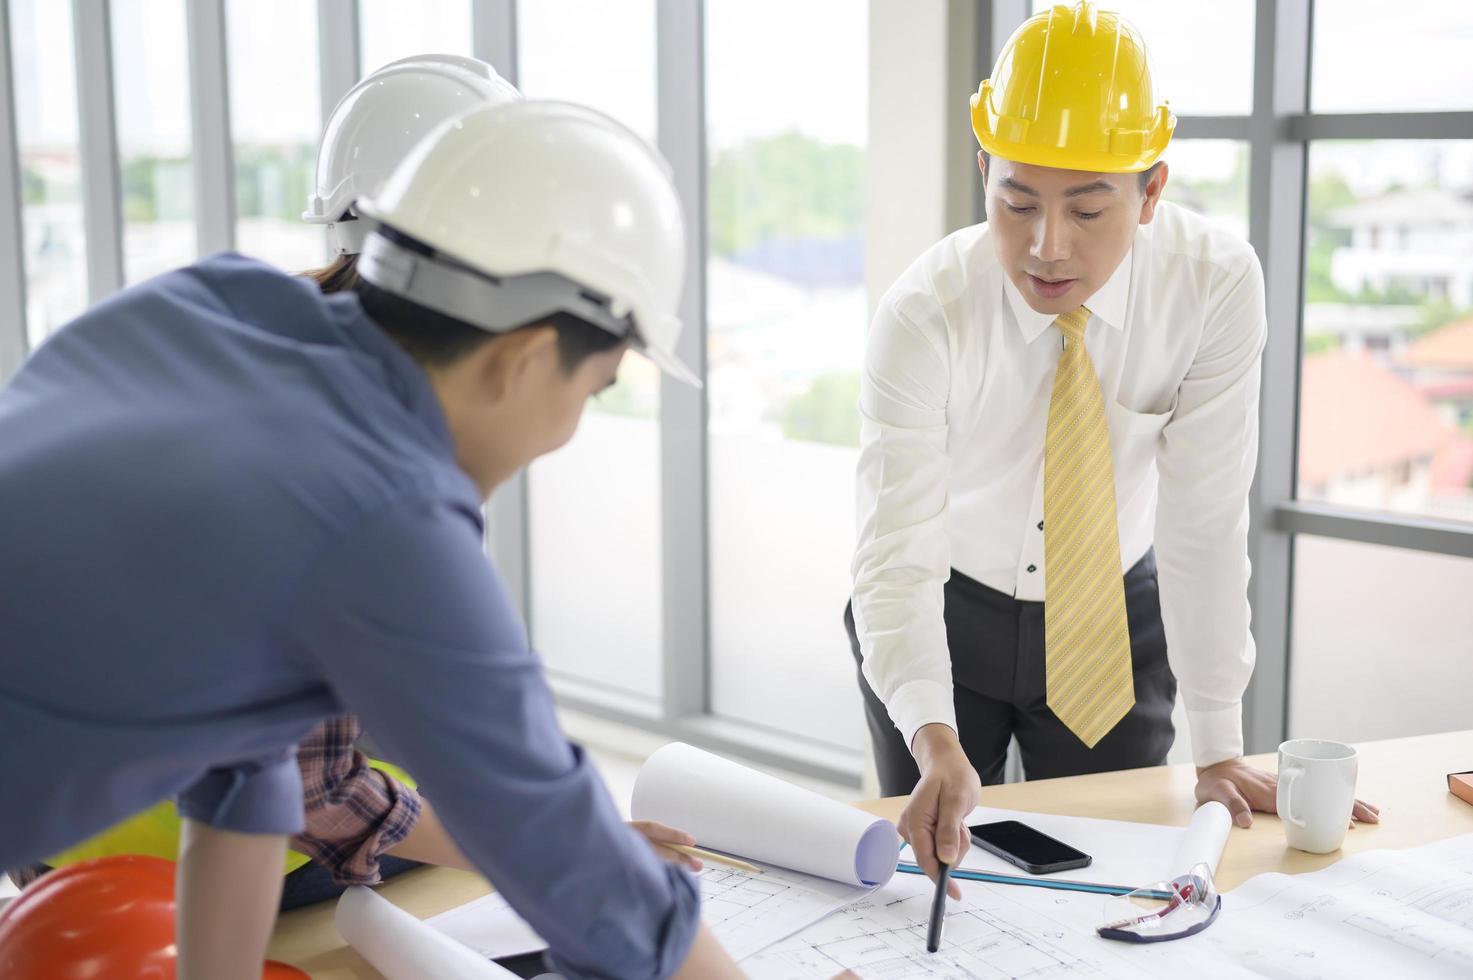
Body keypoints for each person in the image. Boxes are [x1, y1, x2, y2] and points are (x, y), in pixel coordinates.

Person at [0, 100, 747, 979]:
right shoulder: (380, 510)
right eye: (593, 390)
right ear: (524, 357)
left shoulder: (213, 305)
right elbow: (556, 841)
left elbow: (246, 780)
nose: (570, 429)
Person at [845, 1, 1377, 896]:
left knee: (1110, 874)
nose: (1047, 247)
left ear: (1152, 190)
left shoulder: (1212, 285)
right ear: (983, 169)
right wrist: (930, 736)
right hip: (944, 605)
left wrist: (1217, 745)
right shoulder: (923, 312)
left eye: (1088, 209)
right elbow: (893, 552)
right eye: (1015, 202)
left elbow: (1203, 522)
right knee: (934, 881)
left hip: (1108, 625)